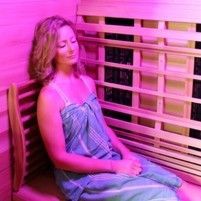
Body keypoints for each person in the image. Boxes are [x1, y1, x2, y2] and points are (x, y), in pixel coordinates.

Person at [30, 15, 196, 201]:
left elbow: (103, 128)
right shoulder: (49, 96)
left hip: (110, 156)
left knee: (173, 181)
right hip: (83, 177)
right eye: (62, 45)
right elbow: (59, 158)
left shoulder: (87, 82)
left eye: (73, 41)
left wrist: (126, 154)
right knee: (163, 195)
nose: (71, 48)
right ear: (49, 51)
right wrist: (114, 167)